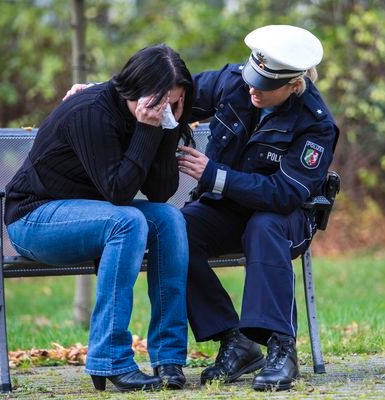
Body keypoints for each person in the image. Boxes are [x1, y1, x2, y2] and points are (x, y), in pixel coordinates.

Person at [65, 25, 339, 391]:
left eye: (266, 85)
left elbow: (284, 194)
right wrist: (104, 93)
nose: (253, 88)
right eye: (253, 76)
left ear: (293, 84)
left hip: (286, 216)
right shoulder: (235, 82)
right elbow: (171, 86)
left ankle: (281, 347)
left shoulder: (316, 124)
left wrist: (216, 175)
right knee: (176, 229)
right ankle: (234, 342)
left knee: (264, 225)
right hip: (225, 208)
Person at [5, 44, 194, 392]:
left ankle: (168, 358)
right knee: (128, 221)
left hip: (93, 215)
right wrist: (148, 130)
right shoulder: (92, 111)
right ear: (136, 88)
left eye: (174, 103)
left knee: (168, 218)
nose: (165, 110)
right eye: (160, 102)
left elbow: (160, 192)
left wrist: (167, 129)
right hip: (34, 217)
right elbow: (119, 193)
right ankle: (110, 359)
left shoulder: (155, 117)